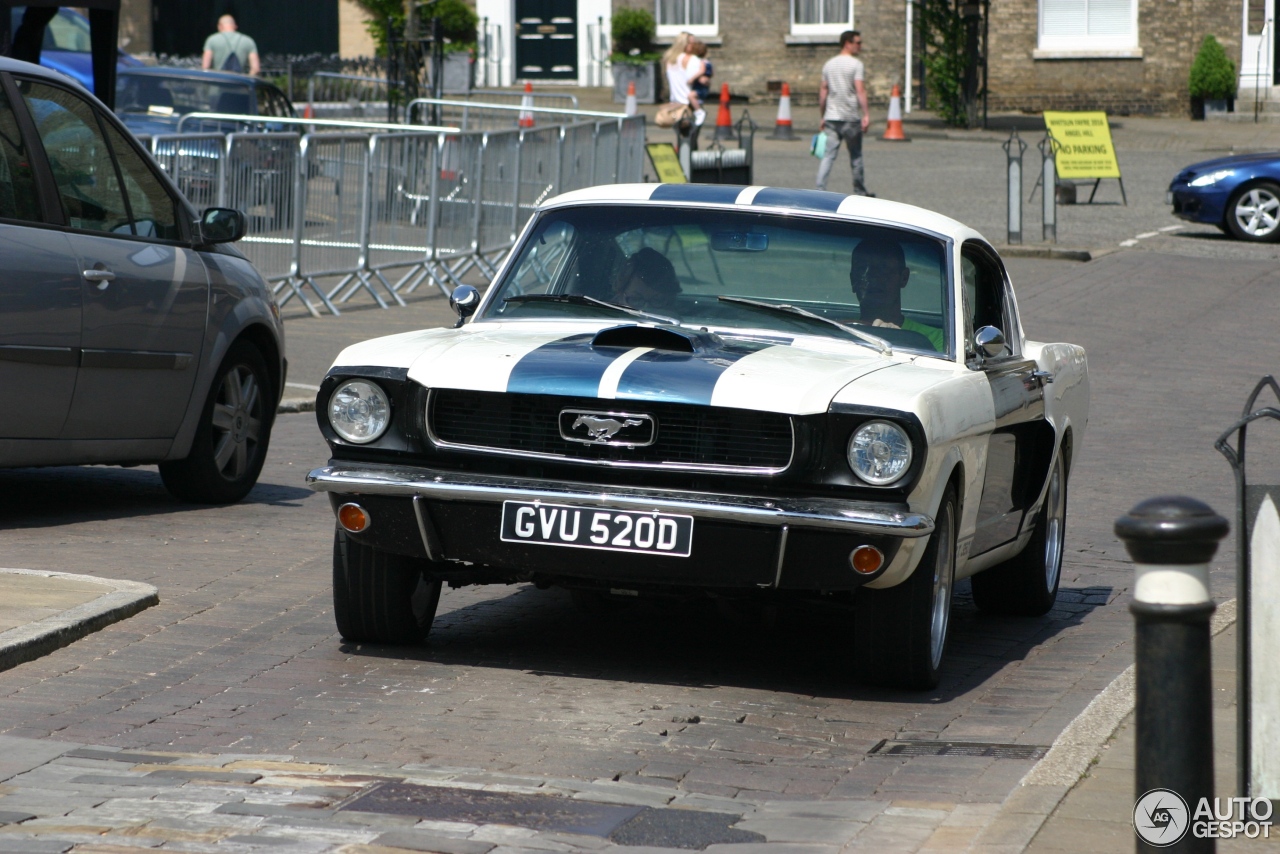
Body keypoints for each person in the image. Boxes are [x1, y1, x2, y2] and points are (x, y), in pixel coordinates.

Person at [849, 237, 943, 351]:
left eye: (883, 269)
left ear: (904, 278)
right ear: (853, 280)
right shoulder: (837, 333)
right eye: (863, 269)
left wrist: (900, 340)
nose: (873, 278)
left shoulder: (937, 339)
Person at [816, 30, 871, 196]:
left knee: (828, 155)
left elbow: (823, 92)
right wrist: (866, 114)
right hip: (850, 117)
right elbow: (860, 90)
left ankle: (819, 188)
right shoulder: (856, 65)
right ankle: (859, 191)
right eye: (858, 43)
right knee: (855, 156)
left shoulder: (829, 64)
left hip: (832, 117)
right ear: (848, 43)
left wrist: (822, 116)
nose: (860, 46)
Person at [663, 33, 706, 149]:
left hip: (674, 105)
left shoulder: (669, 60)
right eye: (692, 43)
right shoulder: (692, 60)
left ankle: (682, 164)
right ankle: (690, 166)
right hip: (688, 105)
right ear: (685, 45)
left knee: (681, 139)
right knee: (691, 142)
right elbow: (695, 80)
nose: (695, 46)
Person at [614, 248, 681, 315]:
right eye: (636, 299)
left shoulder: (681, 324)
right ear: (620, 295)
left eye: (657, 300)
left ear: (670, 301)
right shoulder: (605, 318)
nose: (646, 310)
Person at [691, 39, 713, 105]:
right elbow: (711, 73)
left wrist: (692, 79)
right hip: (703, 88)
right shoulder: (708, 62)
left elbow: (702, 73)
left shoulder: (699, 62)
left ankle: (699, 112)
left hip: (699, 88)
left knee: (692, 97)